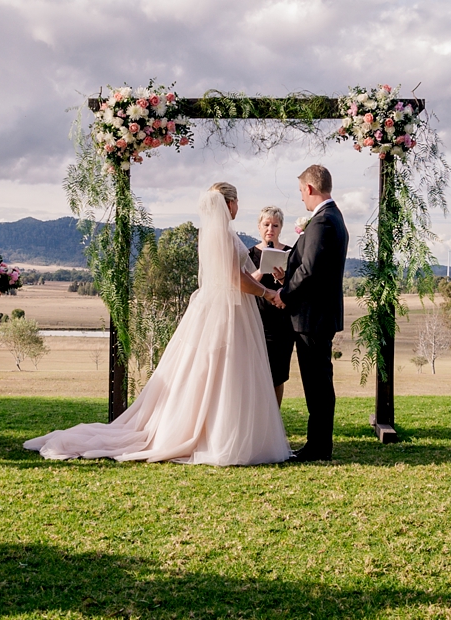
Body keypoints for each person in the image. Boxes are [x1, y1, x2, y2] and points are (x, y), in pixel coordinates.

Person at [25, 183, 290, 466]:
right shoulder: (222, 234)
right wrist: (267, 293)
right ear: (230, 203)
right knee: (223, 370)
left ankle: (219, 429)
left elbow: (241, 274)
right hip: (228, 310)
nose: (238, 207)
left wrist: (266, 283)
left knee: (215, 370)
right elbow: (233, 278)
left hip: (224, 308)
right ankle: (218, 434)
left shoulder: (215, 233)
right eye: (236, 202)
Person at [275, 164, 349, 461]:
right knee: (318, 383)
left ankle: (319, 446)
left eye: (301, 192)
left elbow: (310, 271)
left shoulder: (323, 222)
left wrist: (284, 293)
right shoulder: (332, 218)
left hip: (312, 317)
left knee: (317, 385)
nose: (302, 200)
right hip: (315, 315)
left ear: (309, 188)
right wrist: (287, 276)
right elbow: (309, 267)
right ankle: (319, 443)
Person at [248, 205, 295, 406]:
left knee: (278, 374)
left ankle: (275, 416)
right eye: (266, 224)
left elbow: (296, 287)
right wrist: (261, 269)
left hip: (282, 323)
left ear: (281, 228)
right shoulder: (250, 254)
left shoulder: (289, 253)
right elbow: (244, 283)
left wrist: (283, 278)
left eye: (275, 225)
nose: (270, 229)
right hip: (256, 321)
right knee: (256, 374)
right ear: (259, 227)